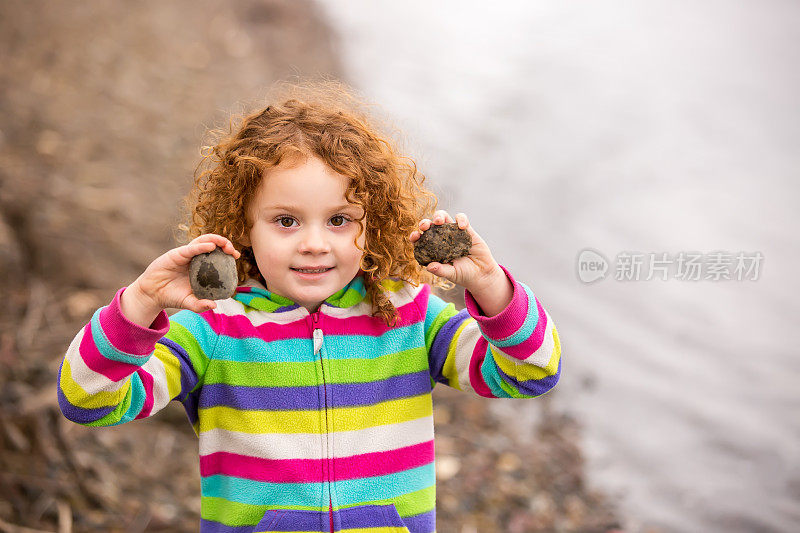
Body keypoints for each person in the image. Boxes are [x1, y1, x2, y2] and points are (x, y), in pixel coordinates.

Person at [57, 80, 562, 533]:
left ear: (375, 221)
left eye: (340, 220)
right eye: (286, 221)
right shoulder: (213, 330)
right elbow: (87, 400)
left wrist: (492, 286)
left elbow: (532, 371)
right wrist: (140, 305)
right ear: (243, 226)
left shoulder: (409, 316)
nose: (315, 244)